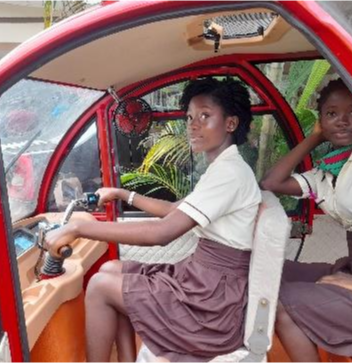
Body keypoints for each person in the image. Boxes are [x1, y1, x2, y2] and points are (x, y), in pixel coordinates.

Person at [46, 78, 261, 363]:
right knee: (112, 268)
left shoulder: (229, 174)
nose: (193, 125)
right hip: (204, 281)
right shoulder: (223, 168)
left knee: (99, 286)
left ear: (231, 124)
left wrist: (78, 227)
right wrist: (124, 194)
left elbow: (163, 233)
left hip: (211, 303)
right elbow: (173, 210)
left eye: (205, 116)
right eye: (189, 117)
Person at [260, 79, 352, 362]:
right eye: (332, 114)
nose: (343, 121)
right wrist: (315, 137)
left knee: (281, 302)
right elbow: (271, 181)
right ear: (321, 120)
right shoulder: (328, 172)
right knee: (271, 273)